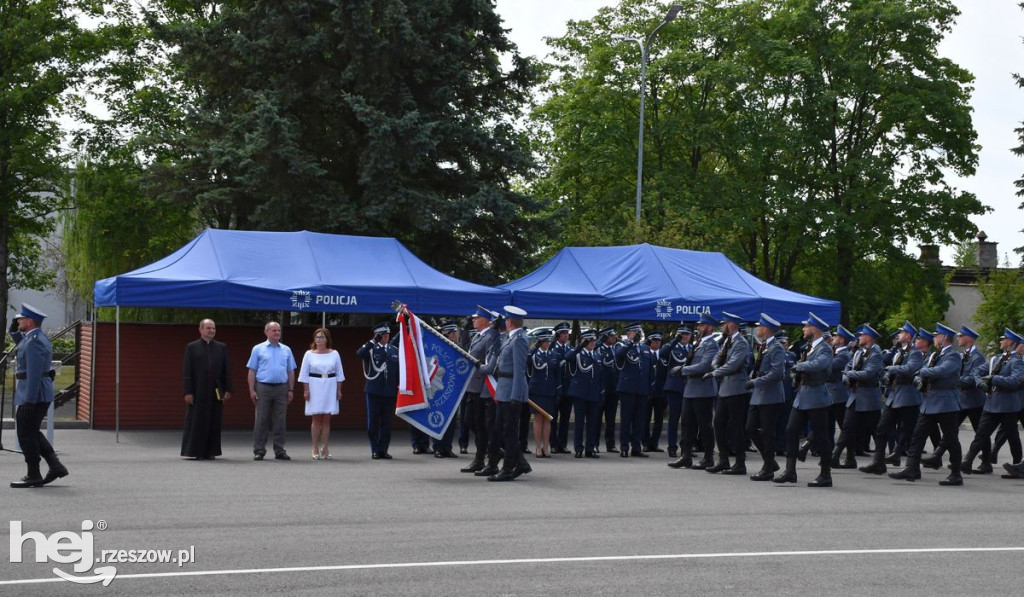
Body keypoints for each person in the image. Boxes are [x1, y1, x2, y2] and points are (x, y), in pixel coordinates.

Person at [889, 323, 964, 486]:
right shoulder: (935, 355)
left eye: (937, 336)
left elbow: (942, 371)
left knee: (951, 439)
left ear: (944, 338)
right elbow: (923, 370)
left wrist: (921, 373)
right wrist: (919, 378)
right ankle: (911, 468)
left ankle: (956, 473)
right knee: (917, 436)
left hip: (946, 403)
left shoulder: (953, 356)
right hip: (930, 402)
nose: (934, 339)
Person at [8, 304, 69, 488]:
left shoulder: (34, 341)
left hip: (34, 393)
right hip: (35, 392)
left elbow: (34, 373)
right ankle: (55, 466)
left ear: (30, 321)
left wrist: (29, 399)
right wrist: (14, 332)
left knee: (25, 434)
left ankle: (33, 474)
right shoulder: (33, 338)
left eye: (21, 319)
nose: (18, 321)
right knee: (31, 431)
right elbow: (23, 345)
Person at [774, 312, 834, 487]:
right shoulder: (808, 347)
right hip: (803, 395)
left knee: (822, 437)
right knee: (791, 430)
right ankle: (790, 471)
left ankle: (825, 475)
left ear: (814, 329)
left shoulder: (825, 348)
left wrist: (798, 366)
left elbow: (818, 365)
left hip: (817, 396)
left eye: (806, 326)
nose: (803, 329)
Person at [860, 322, 923, 475]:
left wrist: (892, 369)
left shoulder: (915, 353)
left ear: (908, 336)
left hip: (908, 397)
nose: (898, 335)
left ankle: (912, 467)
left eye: (901, 333)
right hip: (894, 396)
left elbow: (910, 369)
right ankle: (878, 462)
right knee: (881, 429)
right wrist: (887, 375)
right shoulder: (899, 352)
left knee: (909, 432)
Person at [923, 325, 988, 470]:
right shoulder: (960, 355)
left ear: (969, 339)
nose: (958, 338)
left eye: (961, 336)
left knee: (981, 432)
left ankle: (986, 461)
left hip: (973, 400)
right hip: (960, 399)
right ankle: (937, 456)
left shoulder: (978, 357)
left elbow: (972, 378)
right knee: (950, 431)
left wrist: (954, 381)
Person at [960, 329, 1023, 473]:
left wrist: (993, 378)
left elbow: (1014, 381)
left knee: (1013, 437)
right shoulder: (996, 359)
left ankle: (1017, 465)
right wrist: (980, 383)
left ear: (1010, 343)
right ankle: (968, 461)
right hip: (991, 404)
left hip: (1008, 405)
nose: (1000, 341)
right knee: (981, 434)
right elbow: (977, 372)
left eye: (1003, 339)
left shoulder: (1017, 361)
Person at [482, 306, 531, 482]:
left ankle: (508, 468)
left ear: (509, 322)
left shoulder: (519, 340)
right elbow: (496, 349)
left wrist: (516, 397)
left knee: (509, 432)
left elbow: (519, 370)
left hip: (511, 391)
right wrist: (494, 330)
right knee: (500, 430)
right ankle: (522, 463)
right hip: (503, 390)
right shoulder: (510, 338)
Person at [667, 313, 720, 470]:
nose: (699, 327)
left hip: (703, 389)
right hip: (690, 389)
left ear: (710, 328)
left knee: (704, 426)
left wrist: (682, 369)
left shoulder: (711, 345)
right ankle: (686, 456)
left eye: (702, 325)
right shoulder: (698, 343)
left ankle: (708, 457)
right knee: (686, 424)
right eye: (699, 325)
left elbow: (704, 366)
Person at [705, 312, 752, 475]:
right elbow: (716, 359)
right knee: (718, 423)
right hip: (725, 389)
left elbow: (734, 365)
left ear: (732, 324)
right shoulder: (727, 341)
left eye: (725, 323)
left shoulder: (741, 343)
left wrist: (715, 373)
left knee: (736, 426)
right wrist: (716, 368)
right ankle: (723, 460)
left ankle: (740, 462)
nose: (723, 325)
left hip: (737, 390)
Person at [832, 324, 883, 469]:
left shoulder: (876, 355)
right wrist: (847, 375)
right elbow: (847, 367)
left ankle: (879, 462)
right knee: (848, 428)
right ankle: (841, 458)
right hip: (855, 395)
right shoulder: (858, 353)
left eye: (861, 335)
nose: (859, 338)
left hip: (869, 397)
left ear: (868, 338)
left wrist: (849, 374)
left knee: (875, 430)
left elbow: (868, 374)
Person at [181, 318, 233, 460]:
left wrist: (228, 389)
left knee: (215, 420)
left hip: (216, 390)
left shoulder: (221, 347)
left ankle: (211, 451)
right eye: (208, 328)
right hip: (198, 390)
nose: (211, 331)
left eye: (213, 328)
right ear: (201, 330)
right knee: (197, 420)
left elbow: (226, 370)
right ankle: (196, 451)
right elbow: (187, 371)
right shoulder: (192, 347)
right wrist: (188, 391)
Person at [248, 321, 297, 461]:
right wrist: (252, 390)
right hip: (263, 387)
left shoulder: (286, 350)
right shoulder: (258, 349)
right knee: (261, 420)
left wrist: (291, 389)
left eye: (279, 330)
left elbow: (291, 371)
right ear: (266, 332)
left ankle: (280, 450)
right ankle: (259, 450)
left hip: (281, 388)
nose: (277, 333)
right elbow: (252, 371)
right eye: (274, 330)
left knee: (280, 420)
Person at [744, 313, 786, 481]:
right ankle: (770, 460)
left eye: (759, 326)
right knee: (750, 428)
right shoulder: (763, 346)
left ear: (766, 329)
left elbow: (777, 373)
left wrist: (756, 381)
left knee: (768, 432)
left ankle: (768, 468)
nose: (757, 329)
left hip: (771, 395)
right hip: (759, 394)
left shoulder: (776, 348)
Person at [462, 308, 500, 474]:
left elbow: (488, 362)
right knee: (470, 421)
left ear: (484, 319)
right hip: (473, 385)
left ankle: (482, 457)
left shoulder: (490, 336)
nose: (473, 321)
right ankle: (487, 453)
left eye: (476, 318)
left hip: (482, 386)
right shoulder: (478, 336)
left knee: (480, 424)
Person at [298, 328, 344, 460]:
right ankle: (314, 448)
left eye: (322, 337)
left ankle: (325, 447)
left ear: (327, 339)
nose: (319, 340)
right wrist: (306, 390)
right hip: (315, 386)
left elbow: (339, 374)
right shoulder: (309, 354)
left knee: (327, 419)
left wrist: (339, 390)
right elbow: (304, 374)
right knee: (316, 418)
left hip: (330, 385)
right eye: (317, 337)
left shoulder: (334, 354)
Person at [358, 321, 399, 460]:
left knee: (387, 424)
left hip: (389, 391)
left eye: (388, 334)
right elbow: (360, 353)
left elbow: (398, 371)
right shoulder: (370, 348)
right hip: (374, 391)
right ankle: (374, 450)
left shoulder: (394, 350)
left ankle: (383, 450)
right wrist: (372, 341)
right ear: (377, 335)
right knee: (373, 423)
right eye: (383, 334)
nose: (386, 336)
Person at [615, 322, 654, 458]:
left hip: (642, 389)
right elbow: (619, 355)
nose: (636, 334)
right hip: (627, 389)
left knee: (639, 421)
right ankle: (624, 447)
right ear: (629, 333)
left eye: (638, 332)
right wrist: (631, 342)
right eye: (633, 332)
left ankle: (636, 447)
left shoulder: (645, 348)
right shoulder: (623, 346)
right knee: (626, 420)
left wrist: (649, 388)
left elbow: (649, 370)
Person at [567, 329, 603, 457]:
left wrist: (601, 392)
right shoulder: (577, 354)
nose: (593, 343)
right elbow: (568, 358)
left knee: (592, 423)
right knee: (579, 422)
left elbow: (600, 376)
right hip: (580, 393)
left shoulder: (597, 355)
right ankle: (578, 448)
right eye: (590, 341)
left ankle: (590, 448)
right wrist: (580, 346)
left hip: (593, 393)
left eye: (593, 341)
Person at [527, 328, 561, 458]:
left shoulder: (553, 354)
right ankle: (537, 446)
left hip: (550, 390)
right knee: (538, 418)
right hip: (537, 390)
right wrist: (534, 348)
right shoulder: (534, 354)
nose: (547, 343)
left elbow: (557, 374)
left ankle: (546, 446)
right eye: (544, 341)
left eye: (548, 341)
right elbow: (527, 361)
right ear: (539, 342)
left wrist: (558, 390)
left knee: (547, 419)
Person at [659, 324, 693, 458]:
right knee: (674, 419)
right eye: (682, 334)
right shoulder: (672, 347)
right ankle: (672, 447)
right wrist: (675, 340)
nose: (684, 337)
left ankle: (686, 448)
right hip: (675, 387)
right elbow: (662, 354)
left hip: (689, 387)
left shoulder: (692, 348)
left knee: (688, 420)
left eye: (687, 334)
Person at [432, 321, 462, 458]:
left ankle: (447, 447)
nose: (455, 335)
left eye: (455, 332)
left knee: (451, 420)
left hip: (454, 389)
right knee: (440, 417)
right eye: (453, 333)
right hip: (441, 389)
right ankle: (438, 447)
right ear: (448, 334)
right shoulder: (440, 349)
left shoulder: (459, 349)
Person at [549, 322, 573, 454]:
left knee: (565, 417)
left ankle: (562, 444)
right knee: (553, 417)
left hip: (568, 387)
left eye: (567, 333)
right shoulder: (552, 348)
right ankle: (553, 443)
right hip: (555, 387)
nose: (566, 335)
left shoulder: (571, 349)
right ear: (558, 335)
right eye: (563, 333)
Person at [597, 326, 620, 453]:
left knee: (611, 419)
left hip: (613, 389)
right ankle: (595, 443)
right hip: (602, 388)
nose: (614, 338)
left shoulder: (616, 349)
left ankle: (610, 444)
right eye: (611, 336)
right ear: (605, 337)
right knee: (597, 418)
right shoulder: (599, 349)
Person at [643, 331, 668, 452]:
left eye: (659, 341)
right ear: (650, 342)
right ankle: (646, 443)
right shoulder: (645, 353)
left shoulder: (663, 356)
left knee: (659, 419)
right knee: (645, 419)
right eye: (654, 341)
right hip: (648, 391)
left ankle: (655, 443)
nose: (657, 343)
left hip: (660, 391)